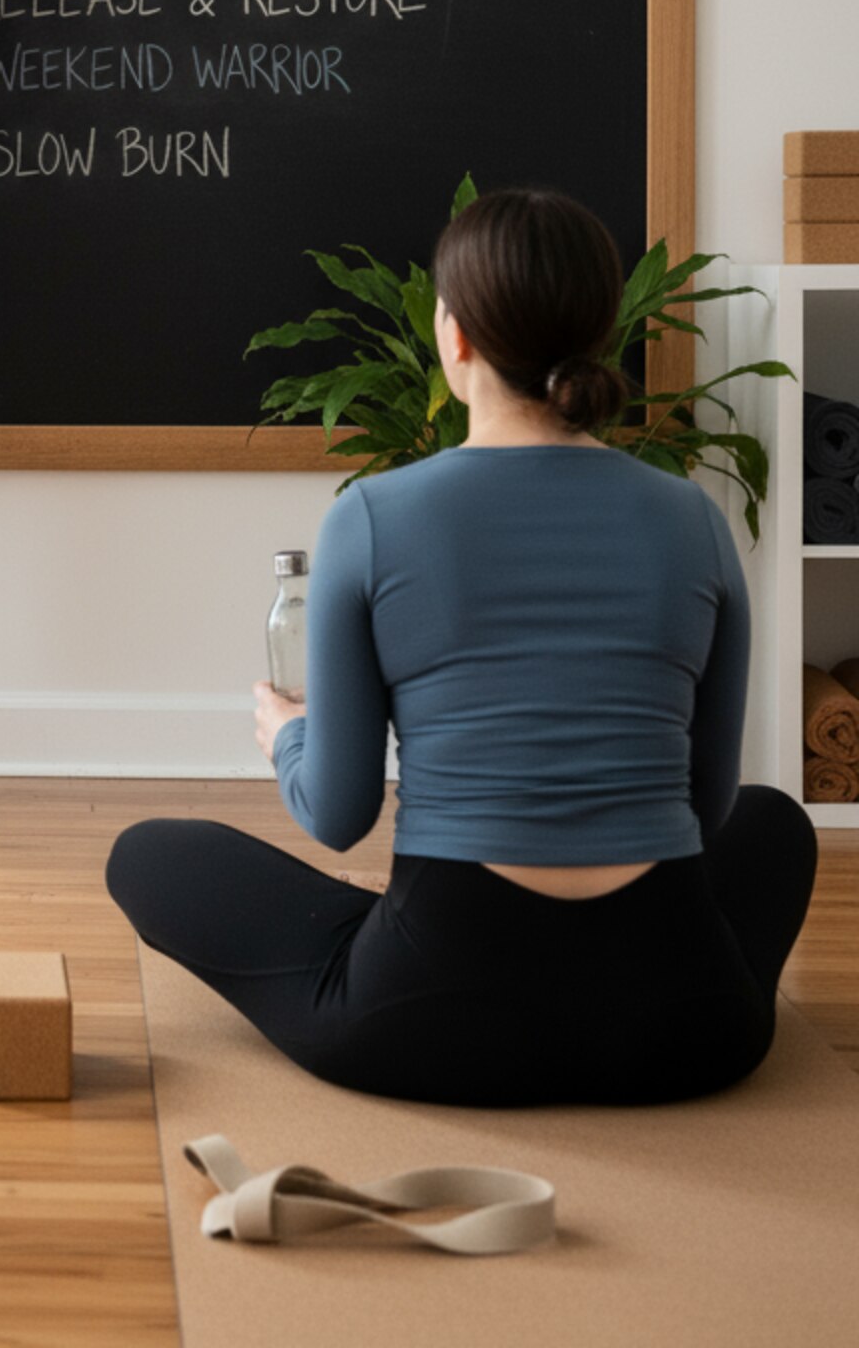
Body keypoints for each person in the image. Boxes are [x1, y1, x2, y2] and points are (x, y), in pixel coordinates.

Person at [107, 187, 818, 1106]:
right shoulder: (694, 523)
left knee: (148, 852)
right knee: (776, 823)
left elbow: (337, 814)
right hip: (685, 1025)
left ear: (455, 336)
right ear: (602, 335)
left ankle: (399, 940)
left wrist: (288, 733)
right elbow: (708, 804)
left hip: (432, 1020)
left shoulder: (373, 517)